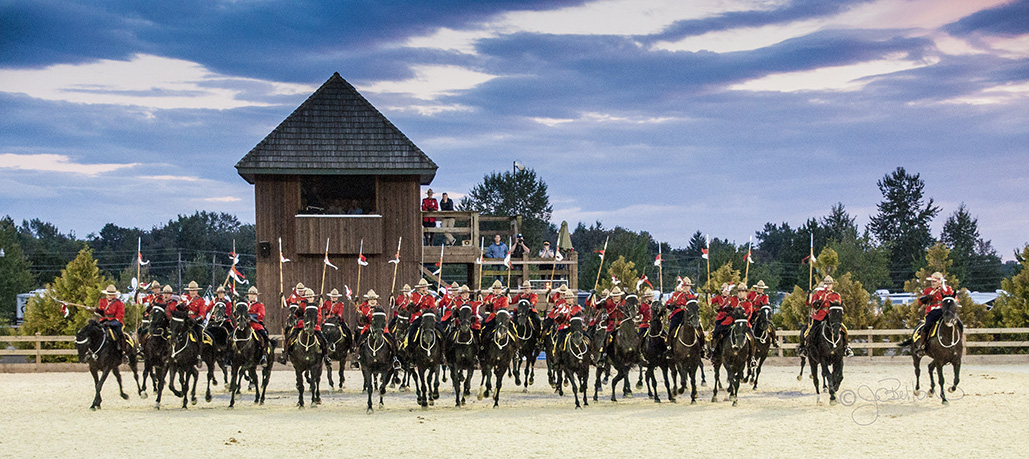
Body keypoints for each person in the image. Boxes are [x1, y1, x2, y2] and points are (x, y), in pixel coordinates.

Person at [799, 276, 853, 357]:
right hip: (819, 315)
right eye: (826, 284)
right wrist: (815, 300)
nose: (828, 286)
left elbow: (837, 306)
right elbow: (812, 304)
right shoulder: (819, 293)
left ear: (832, 285)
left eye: (829, 284)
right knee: (810, 331)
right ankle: (806, 348)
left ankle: (846, 347)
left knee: (843, 329)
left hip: (831, 316)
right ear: (824, 284)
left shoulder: (836, 295)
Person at [917, 272, 956, 354]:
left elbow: (953, 299)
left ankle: (957, 344)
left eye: (934, 281)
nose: (932, 283)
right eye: (931, 281)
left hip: (944, 311)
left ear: (939, 282)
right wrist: (925, 298)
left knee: (956, 323)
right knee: (927, 324)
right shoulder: (928, 290)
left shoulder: (947, 289)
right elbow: (920, 302)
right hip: (931, 311)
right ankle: (922, 344)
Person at [95, 284, 129, 356]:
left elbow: (120, 315)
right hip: (104, 320)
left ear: (114, 295)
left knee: (120, 332)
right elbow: (102, 313)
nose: (110, 296)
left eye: (112, 295)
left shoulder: (119, 303)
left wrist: (111, 323)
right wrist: (98, 311)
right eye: (109, 294)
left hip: (116, 321)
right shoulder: (102, 301)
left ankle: (123, 351)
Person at [246, 286, 271, 363]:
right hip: (245, 325)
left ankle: (264, 355)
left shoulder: (260, 305)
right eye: (250, 294)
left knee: (264, 336)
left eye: (253, 294)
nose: (252, 296)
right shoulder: (244, 304)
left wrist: (250, 316)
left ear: (256, 295)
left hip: (256, 325)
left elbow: (261, 315)